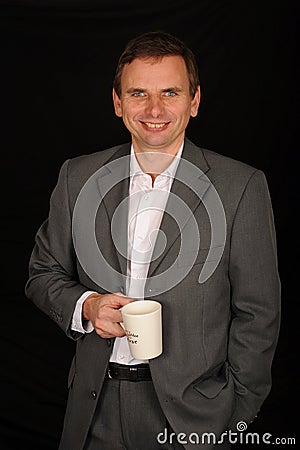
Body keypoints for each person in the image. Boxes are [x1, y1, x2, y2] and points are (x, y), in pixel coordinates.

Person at [25, 31, 281, 450]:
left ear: (194, 102)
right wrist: (86, 307)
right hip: (94, 409)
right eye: (138, 93)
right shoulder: (77, 177)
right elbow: (41, 273)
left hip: (194, 418)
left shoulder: (241, 187)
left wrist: (234, 418)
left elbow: (259, 313)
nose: (155, 109)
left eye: (171, 92)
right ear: (117, 102)